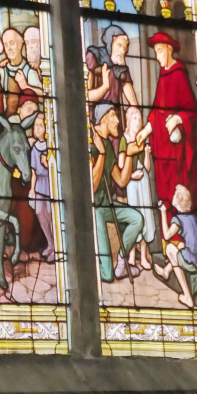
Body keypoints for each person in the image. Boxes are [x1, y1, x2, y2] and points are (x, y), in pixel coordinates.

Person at [136, 32, 197, 209]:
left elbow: (192, 109)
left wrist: (178, 119)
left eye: (160, 51)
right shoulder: (163, 75)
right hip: (162, 147)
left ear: (169, 50)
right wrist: (146, 130)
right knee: (164, 192)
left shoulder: (178, 74)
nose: (157, 57)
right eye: (156, 52)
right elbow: (158, 111)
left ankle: (179, 231)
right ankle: (168, 233)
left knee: (177, 190)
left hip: (176, 149)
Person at [90, 102, 144, 281]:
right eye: (114, 116)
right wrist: (101, 155)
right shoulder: (90, 142)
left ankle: (122, 261)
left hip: (106, 204)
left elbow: (121, 180)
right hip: (93, 208)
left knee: (137, 219)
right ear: (104, 118)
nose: (117, 122)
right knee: (107, 274)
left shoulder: (106, 143)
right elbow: (92, 186)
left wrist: (128, 153)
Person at [155, 186, 197, 310]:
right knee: (181, 245)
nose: (173, 196)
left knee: (170, 248)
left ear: (179, 200)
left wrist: (163, 212)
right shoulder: (195, 219)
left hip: (190, 262)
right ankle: (166, 271)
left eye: (175, 194)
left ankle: (187, 297)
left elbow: (167, 235)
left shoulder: (178, 219)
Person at [120, 105, 154, 271]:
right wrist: (131, 176)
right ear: (128, 121)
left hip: (144, 183)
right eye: (135, 118)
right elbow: (121, 165)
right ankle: (132, 256)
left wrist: (147, 153)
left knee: (146, 214)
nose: (138, 121)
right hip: (132, 184)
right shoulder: (124, 139)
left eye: (140, 118)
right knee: (135, 216)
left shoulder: (143, 139)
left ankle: (144, 257)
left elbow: (147, 168)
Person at [86, 25, 138, 124]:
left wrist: (136, 113)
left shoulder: (120, 64)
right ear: (110, 41)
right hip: (97, 119)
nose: (122, 51)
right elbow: (86, 95)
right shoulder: (94, 56)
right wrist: (104, 87)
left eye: (125, 47)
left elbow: (130, 94)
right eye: (119, 45)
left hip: (115, 118)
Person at [0, 27, 43, 116]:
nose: (9, 48)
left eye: (12, 43)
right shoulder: (2, 69)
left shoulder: (29, 70)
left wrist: (26, 86)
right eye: (6, 45)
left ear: (21, 44)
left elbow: (43, 97)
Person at [29, 112, 56, 262]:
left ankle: (57, 248)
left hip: (50, 185)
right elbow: (34, 172)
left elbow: (55, 167)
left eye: (40, 126)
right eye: (35, 126)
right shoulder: (34, 149)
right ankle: (50, 244)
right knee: (40, 213)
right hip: (39, 185)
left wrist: (47, 163)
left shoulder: (52, 147)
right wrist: (32, 189)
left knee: (53, 216)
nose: (37, 129)